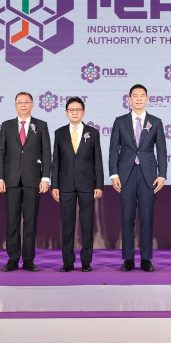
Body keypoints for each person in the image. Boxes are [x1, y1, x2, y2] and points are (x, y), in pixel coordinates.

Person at [109, 84, 167, 272]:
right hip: (125, 174)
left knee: (147, 217)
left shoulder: (156, 122)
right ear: (129, 99)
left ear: (147, 99)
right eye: (135, 95)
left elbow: (161, 150)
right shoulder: (120, 121)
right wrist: (114, 174)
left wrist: (162, 175)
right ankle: (128, 258)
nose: (139, 98)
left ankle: (146, 258)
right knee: (127, 217)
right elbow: (113, 149)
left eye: (142, 95)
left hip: (148, 175)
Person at [0, 92, 51, 272]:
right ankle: (12, 259)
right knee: (12, 222)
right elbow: (0, 153)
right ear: (15, 105)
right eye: (20, 102)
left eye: (26, 102)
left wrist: (45, 177)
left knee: (30, 222)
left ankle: (28, 260)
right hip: (11, 180)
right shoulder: (7, 125)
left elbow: (46, 153)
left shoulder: (41, 125)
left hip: (33, 180)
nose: (23, 105)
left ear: (32, 105)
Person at [51, 97, 104, 272]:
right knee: (67, 225)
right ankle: (68, 262)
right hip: (65, 185)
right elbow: (56, 161)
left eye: (78, 110)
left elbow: (98, 161)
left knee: (87, 225)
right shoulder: (59, 133)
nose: (75, 113)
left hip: (87, 185)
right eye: (71, 110)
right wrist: (55, 185)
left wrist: (99, 185)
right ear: (66, 112)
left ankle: (86, 261)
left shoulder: (93, 133)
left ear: (83, 112)